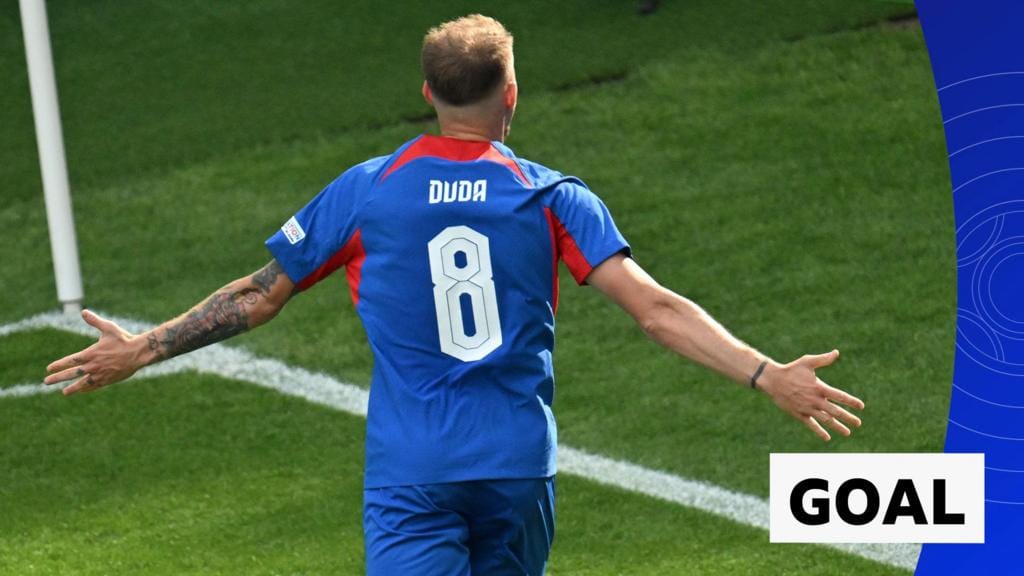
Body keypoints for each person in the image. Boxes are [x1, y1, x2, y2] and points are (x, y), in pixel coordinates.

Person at [44, 14, 865, 576]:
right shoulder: (553, 197)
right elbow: (656, 310)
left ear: (429, 93)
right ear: (510, 94)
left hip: (414, 473)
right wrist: (768, 375)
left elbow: (257, 296)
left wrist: (142, 348)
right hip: (516, 470)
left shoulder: (367, 192)